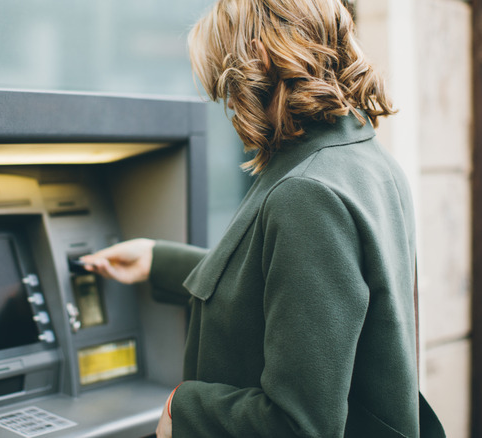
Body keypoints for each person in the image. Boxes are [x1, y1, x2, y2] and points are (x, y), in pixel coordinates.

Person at [80, 0, 446, 436]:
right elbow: (302, 292)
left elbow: (297, 424)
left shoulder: (307, 192)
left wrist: (187, 408)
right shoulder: (366, 163)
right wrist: (158, 261)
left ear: (262, 58)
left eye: (227, 82)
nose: (230, 105)